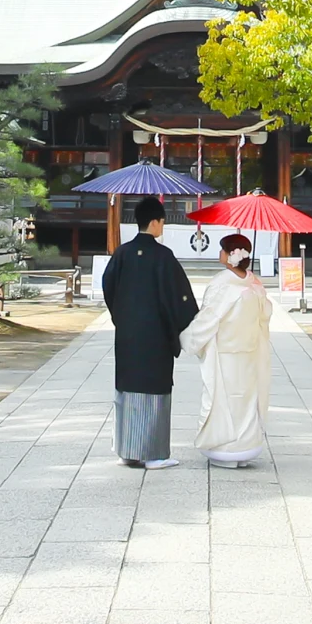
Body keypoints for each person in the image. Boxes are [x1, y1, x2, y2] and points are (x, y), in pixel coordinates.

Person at [99, 195, 199, 469]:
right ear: (154, 222)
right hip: (155, 336)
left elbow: (108, 286)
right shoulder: (163, 256)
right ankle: (153, 454)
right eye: (162, 222)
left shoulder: (122, 253)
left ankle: (127, 450)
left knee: (129, 387)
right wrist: (186, 323)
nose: (163, 227)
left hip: (129, 334)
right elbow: (179, 296)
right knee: (154, 388)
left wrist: (121, 315)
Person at [182, 231, 272, 468]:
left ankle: (226, 448)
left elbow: (208, 319)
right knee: (246, 399)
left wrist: (187, 339)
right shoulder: (254, 284)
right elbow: (265, 315)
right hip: (249, 351)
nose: (220, 254)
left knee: (225, 399)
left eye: (223, 250)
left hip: (226, 353)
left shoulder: (223, 283)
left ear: (231, 255)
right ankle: (245, 447)